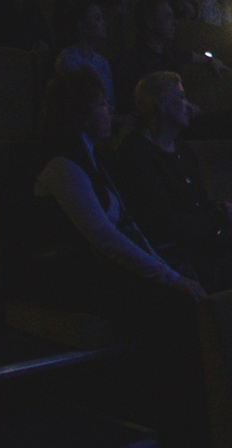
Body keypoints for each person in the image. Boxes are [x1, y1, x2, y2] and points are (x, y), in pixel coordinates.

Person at [30, 70, 205, 331]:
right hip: (71, 277)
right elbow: (104, 237)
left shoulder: (94, 159)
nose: (110, 112)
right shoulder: (62, 165)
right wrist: (170, 278)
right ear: (80, 113)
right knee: (178, 302)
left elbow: (128, 227)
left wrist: (166, 268)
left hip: (101, 270)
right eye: (102, 104)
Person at [107, 71, 232, 292]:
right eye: (181, 97)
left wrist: (220, 209)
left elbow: (198, 201)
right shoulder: (136, 156)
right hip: (174, 256)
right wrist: (218, 220)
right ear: (160, 104)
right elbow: (163, 224)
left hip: (202, 244)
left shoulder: (182, 149)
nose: (189, 105)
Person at [115, 0, 223, 111]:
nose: (174, 22)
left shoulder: (169, 53)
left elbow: (190, 56)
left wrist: (210, 60)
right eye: (168, 17)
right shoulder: (132, 63)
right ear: (150, 22)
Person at [55, 1, 115, 108]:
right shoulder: (69, 59)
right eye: (97, 19)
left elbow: (110, 104)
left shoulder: (103, 62)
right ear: (82, 26)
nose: (104, 23)